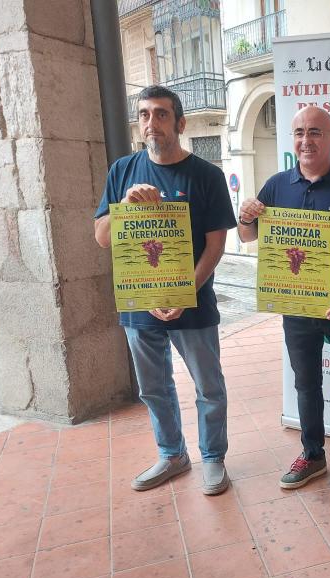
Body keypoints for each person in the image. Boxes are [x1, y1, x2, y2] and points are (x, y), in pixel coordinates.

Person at [238, 106, 330, 505]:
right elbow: (247, 236)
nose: (307, 140)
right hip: (296, 311)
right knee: (306, 386)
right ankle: (313, 455)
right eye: (300, 132)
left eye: (316, 132)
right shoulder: (276, 186)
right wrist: (246, 216)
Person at [94, 85, 237, 496]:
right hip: (139, 305)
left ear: (180, 123)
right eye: (144, 114)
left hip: (193, 304)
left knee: (209, 387)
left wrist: (183, 292)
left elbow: (215, 245)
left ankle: (213, 457)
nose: (151, 123)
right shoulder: (122, 171)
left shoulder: (206, 176)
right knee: (153, 387)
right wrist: (125, 206)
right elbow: (102, 237)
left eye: (160, 114)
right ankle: (172, 454)